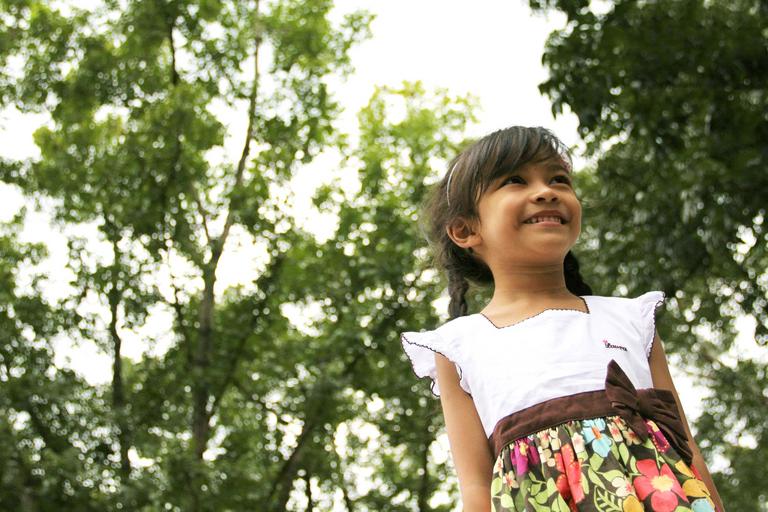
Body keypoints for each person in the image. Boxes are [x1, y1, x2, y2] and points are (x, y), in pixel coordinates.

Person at [399, 126, 725, 512]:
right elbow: (476, 487)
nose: (546, 191)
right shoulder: (457, 347)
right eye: (515, 180)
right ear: (465, 229)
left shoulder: (632, 320)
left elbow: (688, 452)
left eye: (558, 179)